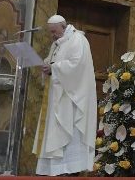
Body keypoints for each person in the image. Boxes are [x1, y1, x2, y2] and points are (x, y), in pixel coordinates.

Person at [33, 15, 97, 176]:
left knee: (70, 132)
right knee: (56, 130)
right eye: (50, 32)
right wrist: (47, 66)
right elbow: (53, 61)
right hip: (58, 97)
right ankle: (56, 169)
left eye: (54, 31)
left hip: (72, 99)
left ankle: (70, 170)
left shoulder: (77, 40)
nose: (52, 35)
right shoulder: (58, 43)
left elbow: (77, 64)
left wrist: (54, 68)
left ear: (63, 26)